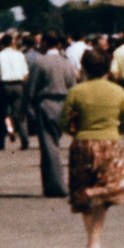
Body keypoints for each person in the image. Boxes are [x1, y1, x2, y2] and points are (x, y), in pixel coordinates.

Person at [60, 50, 124, 248]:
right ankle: (94, 242)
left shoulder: (76, 91)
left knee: (82, 192)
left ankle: (91, 241)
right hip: (110, 142)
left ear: (84, 67)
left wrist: (78, 133)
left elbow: (64, 121)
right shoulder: (118, 91)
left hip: (83, 143)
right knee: (104, 194)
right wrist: (115, 133)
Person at [27, 33, 80, 198]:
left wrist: (23, 109)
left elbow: (30, 88)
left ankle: (56, 186)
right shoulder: (67, 64)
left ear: (45, 43)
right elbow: (73, 86)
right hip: (65, 104)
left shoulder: (40, 63)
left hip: (46, 104)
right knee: (57, 142)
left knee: (49, 145)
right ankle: (59, 183)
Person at [0, 34, 31, 150]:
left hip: (4, 86)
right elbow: (25, 75)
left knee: (1, 114)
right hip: (18, 85)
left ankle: (0, 141)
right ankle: (24, 139)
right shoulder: (20, 55)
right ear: (12, 43)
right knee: (19, 114)